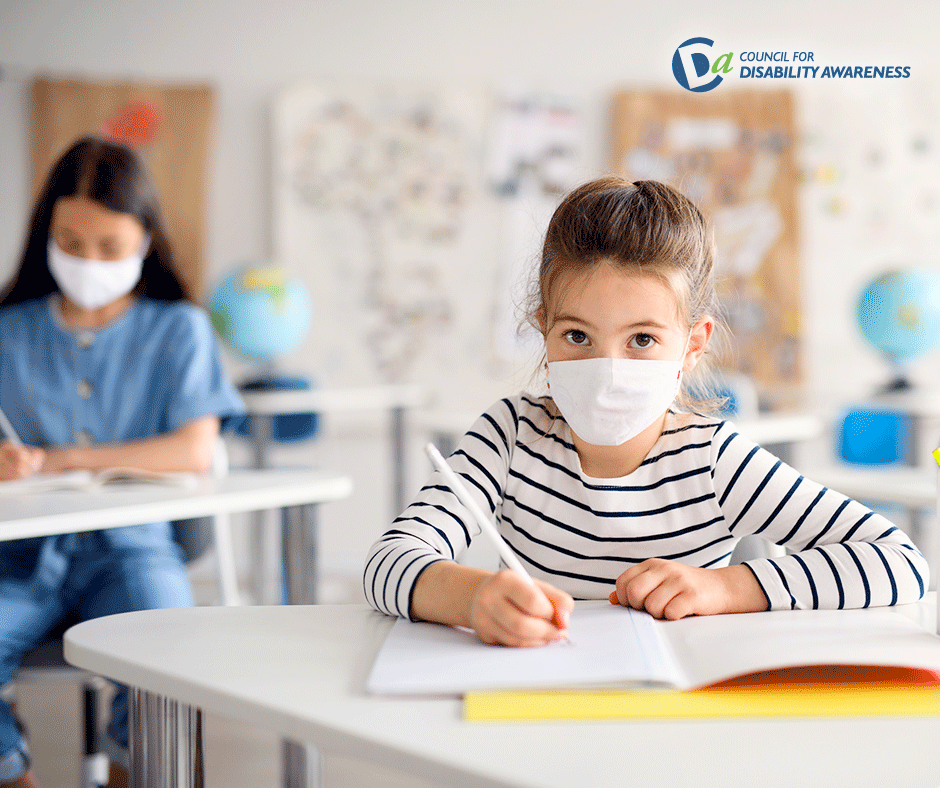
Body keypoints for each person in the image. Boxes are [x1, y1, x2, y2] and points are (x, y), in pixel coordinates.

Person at [363, 176, 928, 648]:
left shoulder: (712, 459)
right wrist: (475, 597)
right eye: (577, 335)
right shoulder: (509, 436)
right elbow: (388, 562)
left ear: (693, 344)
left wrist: (724, 589)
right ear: (544, 330)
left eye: (641, 339)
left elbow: (901, 563)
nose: (607, 368)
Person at [0, 137, 243, 788]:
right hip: (19, 560)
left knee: (168, 657)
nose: (88, 261)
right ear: (45, 234)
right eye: (71, 242)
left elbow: (192, 449)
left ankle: (129, 772)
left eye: (109, 247)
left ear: (144, 241)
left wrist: (57, 459)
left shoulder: (178, 328)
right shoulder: (9, 329)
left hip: (132, 552)